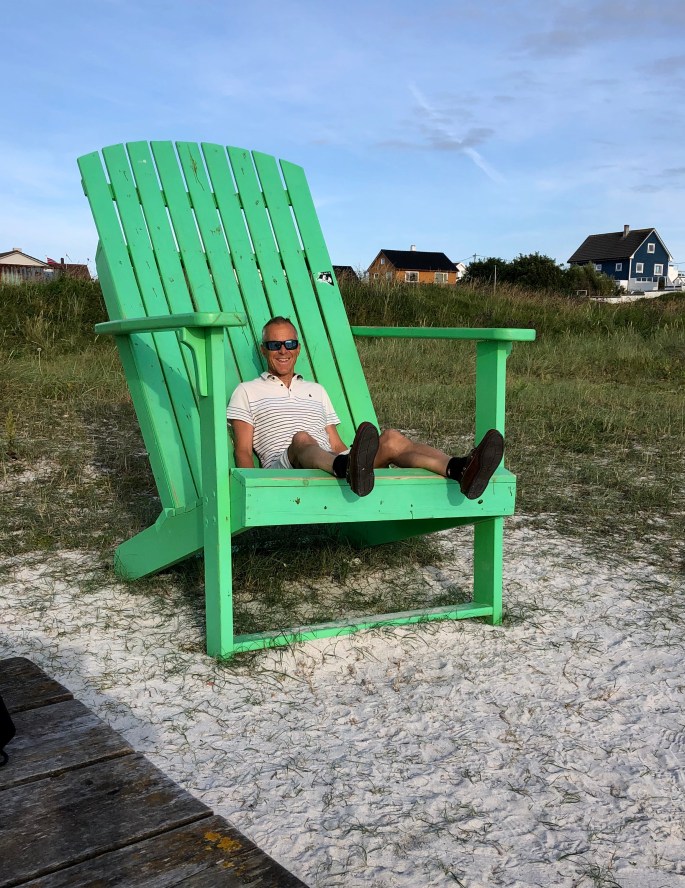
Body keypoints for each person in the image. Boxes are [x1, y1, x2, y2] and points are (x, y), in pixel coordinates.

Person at [228, 316, 504, 499]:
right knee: (302, 438)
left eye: (290, 344)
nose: (283, 350)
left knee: (392, 437)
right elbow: (243, 450)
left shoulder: (316, 390)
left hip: (337, 464)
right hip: (285, 471)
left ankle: (460, 468)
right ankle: (345, 467)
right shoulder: (247, 390)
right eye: (274, 345)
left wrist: (351, 455)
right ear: (263, 350)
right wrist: (253, 490)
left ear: (298, 348)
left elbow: (334, 442)